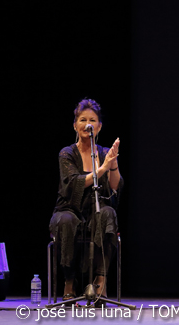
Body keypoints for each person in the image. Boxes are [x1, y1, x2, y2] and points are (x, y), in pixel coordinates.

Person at [49, 98, 121, 303]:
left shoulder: (105, 153)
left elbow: (114, 187)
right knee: (66, 221)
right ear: (75, 125)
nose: (87, 124)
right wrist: (103, 168)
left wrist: (113, 164)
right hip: (68, 209)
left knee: (108, 213)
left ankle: (100, 280)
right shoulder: (66, 153)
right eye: (82, 120)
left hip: (95, 210)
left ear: (99, 126)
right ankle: (69, 282)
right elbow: (73, 184)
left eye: (92, 120)